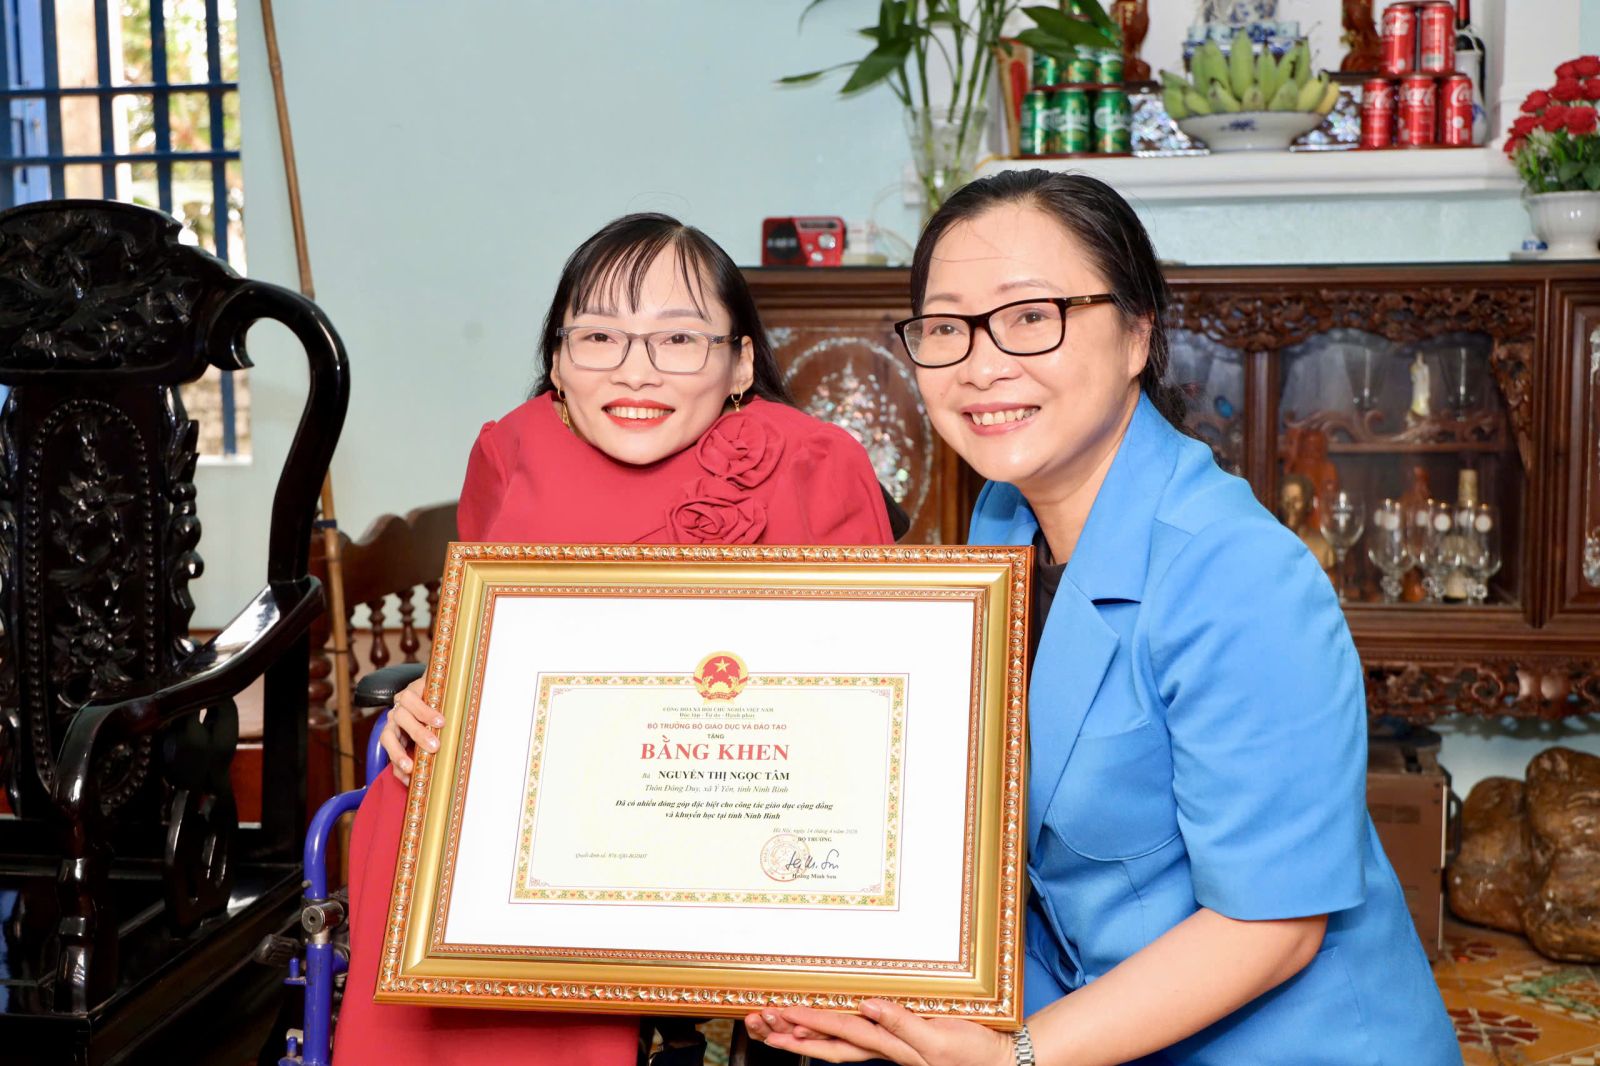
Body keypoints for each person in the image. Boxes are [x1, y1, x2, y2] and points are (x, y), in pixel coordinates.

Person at [745, 171, 1460, 1065]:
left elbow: (1271, 929)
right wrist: (870, 981)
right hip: (1084, 1008)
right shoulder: (1003, 517)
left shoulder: (1239, 573)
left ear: (1137, 334)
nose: (980, 364)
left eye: (1030, 315)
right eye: (946, 326)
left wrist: (1011, 1057)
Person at [334, 212, 895, 1066]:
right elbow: (483, 644)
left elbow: (868, 697)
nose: (636, 370)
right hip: (554, 794)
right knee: (420, 804)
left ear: (741, 363)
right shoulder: (511, 447)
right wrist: (429, 694)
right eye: (599, 336)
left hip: (743, 790)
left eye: (679, 339)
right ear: (558, 360)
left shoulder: (813, 459)